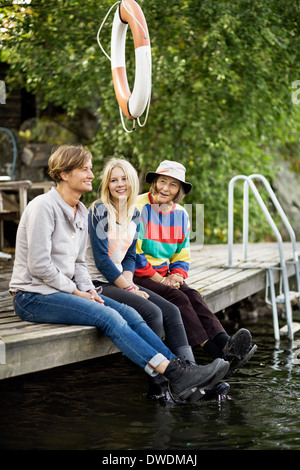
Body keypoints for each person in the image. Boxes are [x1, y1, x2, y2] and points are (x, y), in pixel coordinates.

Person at [9, 145, 230, 404]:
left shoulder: (80, 211)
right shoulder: (44, 208)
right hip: (33, 296)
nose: (92, 174)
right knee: (110, 316)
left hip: (67, 289)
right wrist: (80, 290)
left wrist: (87, 290)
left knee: (132, 314)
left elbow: (80, 262)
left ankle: (183, 376)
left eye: (91, 169)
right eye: (85, 169)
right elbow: (39, 267)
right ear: (65, 173)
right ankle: (174, 373)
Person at [85, 157, 229, 403]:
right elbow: (102, 261)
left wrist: (131, 282)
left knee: (172, 310)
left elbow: (129, 256)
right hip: (97, 281)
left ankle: (193, 377)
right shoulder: (99, 210)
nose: (120, 184)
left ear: (133, 183)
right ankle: (158, 384)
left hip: (121, 279)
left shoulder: (132, 213)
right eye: (113, 180)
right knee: (154, 312)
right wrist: (131, 287)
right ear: (106, 184)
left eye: (124, 179)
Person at [133, 160, 257, 375]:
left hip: (165, 274)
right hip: (137, 275)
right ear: (154, 182)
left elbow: (182, 253)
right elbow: (134, 254)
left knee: (194, 296)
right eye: (162, 181)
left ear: (179, 191)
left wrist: (177, 275)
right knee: (179, 299)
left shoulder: (181, 213)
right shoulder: (137, 207)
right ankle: (217, 355)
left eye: (173, 185)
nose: (165, 188)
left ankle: (227, 344)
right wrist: (162, 280)